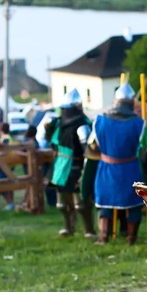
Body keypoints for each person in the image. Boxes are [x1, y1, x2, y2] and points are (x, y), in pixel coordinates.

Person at [91, 82, 145, 245]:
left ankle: (103, 236)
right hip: (130, 169)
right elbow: (142, 148)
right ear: (129, 103)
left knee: (105, 203)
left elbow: (93, 145)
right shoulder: (139, 123)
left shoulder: (99, 120)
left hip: (107, 168)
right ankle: (131, 238)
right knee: (133, 204)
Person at [45, 88, 96, 238]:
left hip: (76, 165)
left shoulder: (82, 125)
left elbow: (87, 150)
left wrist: (84, 171)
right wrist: (47, 130)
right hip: (60, 164)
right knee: (61, 203)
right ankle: (68, 228)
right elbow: (51, 142)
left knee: (80, 203)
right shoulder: (58, 123)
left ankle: (89, 231)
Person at [0, 123, 15, 211]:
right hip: (9, 164)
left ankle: (10, 203)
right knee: (8, 183)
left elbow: (6, 150)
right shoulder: (9, 137)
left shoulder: (5, 138)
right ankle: (11, 203)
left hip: (5, 164)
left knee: (1, 183)